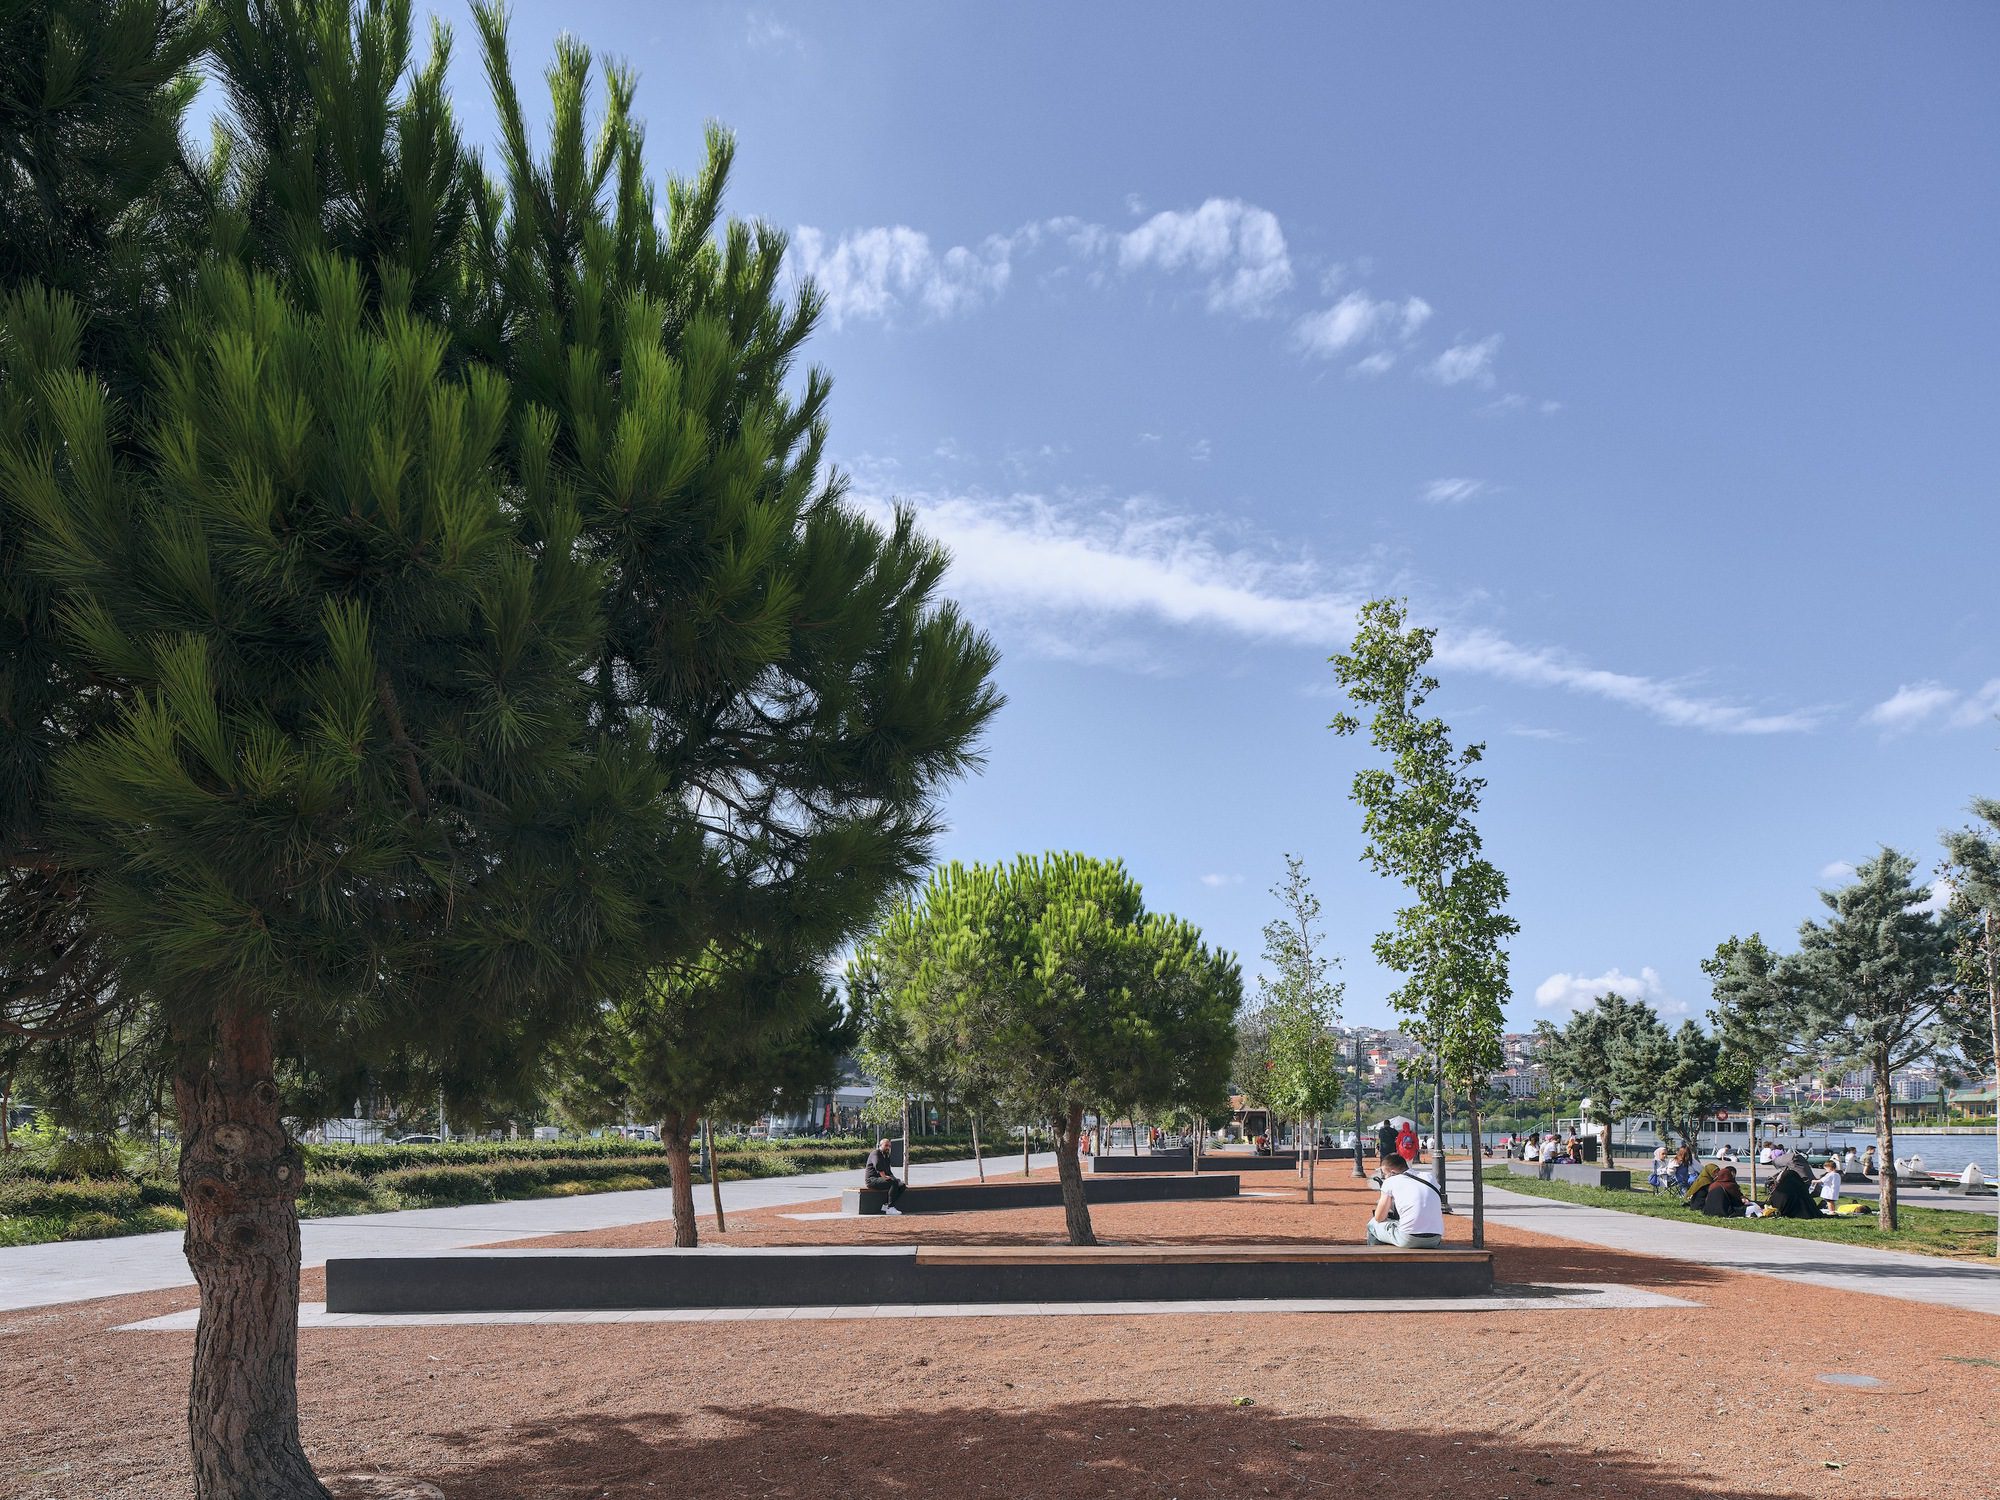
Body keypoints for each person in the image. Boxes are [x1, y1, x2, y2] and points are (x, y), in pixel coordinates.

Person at [1365, 1151, 1446, 1248]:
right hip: (1435, 1239)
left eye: (1385, 1174)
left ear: (1392, 1173)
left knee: (1372, 1224)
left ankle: (1377, 1260)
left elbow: (1379, 1217)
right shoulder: (1429, 1177)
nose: (1384, 1177)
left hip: (1408, 1238)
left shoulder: (1391, 1181)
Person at [864, 1137, 906, 1214]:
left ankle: (886, 1205)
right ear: (880, 1145)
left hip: (881, 1179)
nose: (888, 1148)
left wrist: (895, 1179)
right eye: (886, 1145)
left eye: (889, 1146)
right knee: (893, 1183)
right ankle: (890, 1208)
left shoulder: (886, 1156)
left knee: (902, 1185)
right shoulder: (875, 1153)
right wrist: (883, 1176)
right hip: (872, 1180)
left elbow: (888, 1171)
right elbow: (877, 1165)